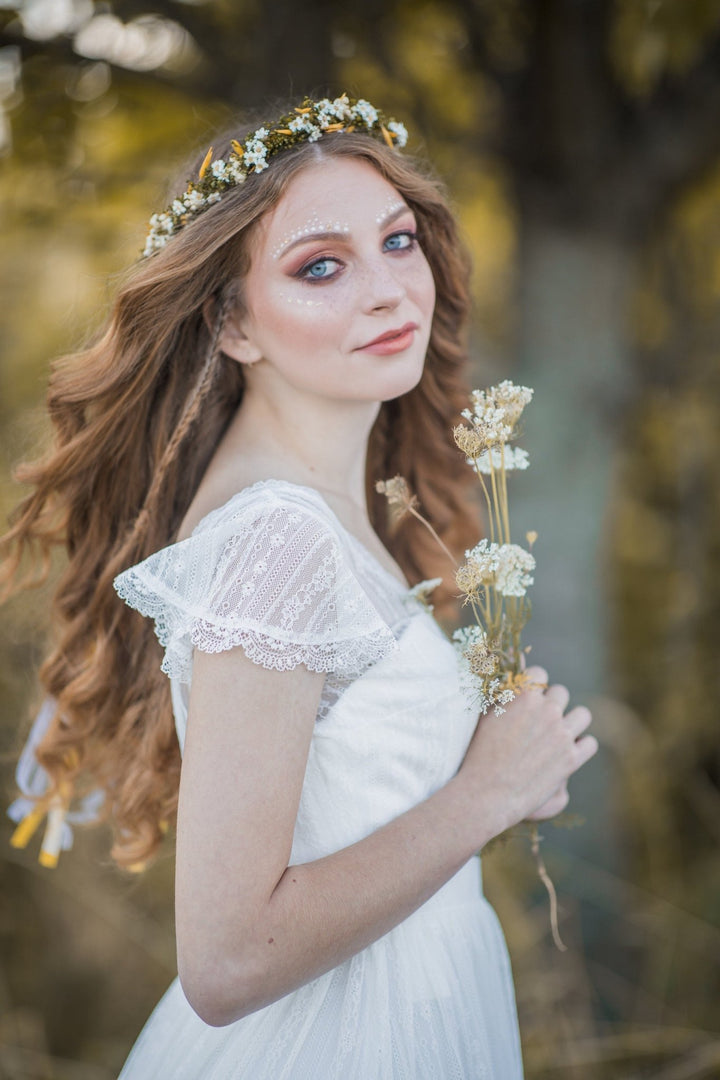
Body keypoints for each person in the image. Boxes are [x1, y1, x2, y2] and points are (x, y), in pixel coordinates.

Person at [2, 94, 598, 1078]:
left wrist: (485, 766)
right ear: (231, 321)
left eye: (398, 241)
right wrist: (485, 793)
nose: (387, 291)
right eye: (321, 265)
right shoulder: (280, 541)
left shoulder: (326, 504)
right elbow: (229, 959)